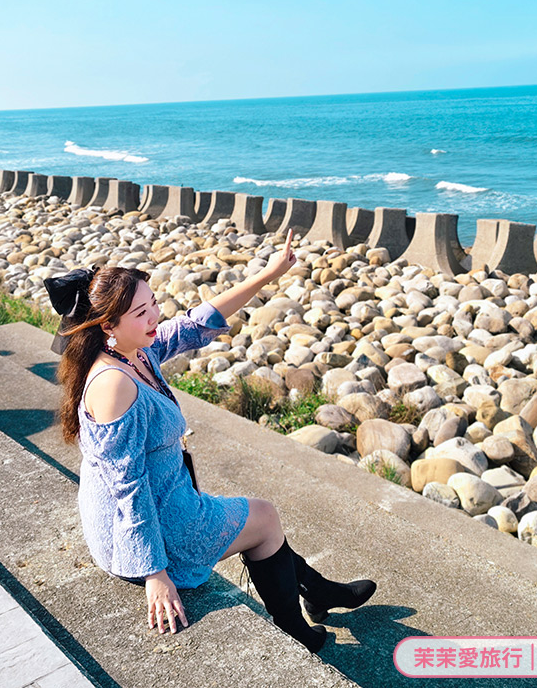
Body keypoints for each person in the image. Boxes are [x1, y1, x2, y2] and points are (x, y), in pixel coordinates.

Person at [44, 228, 376, 654]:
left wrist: (267, 275)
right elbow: (127, 485)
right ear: (109, 325)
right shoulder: (113, 385)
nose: (155, 317)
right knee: (265, 518)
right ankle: (299, 632)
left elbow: (194, 324)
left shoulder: (133, 353)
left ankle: (318, 590)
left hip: (159, 504)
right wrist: (154, 573)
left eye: (154, 304)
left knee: (254, 521)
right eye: (142, 312)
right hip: (149, 531)